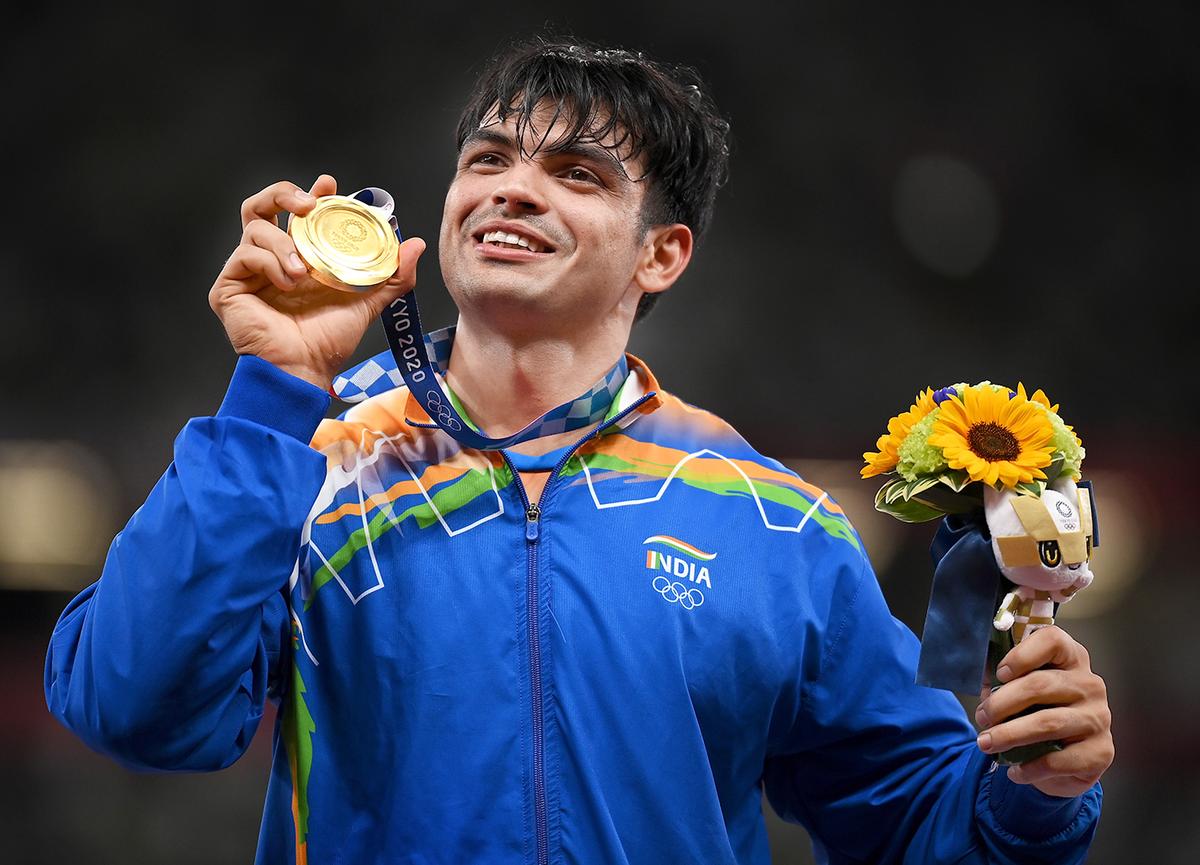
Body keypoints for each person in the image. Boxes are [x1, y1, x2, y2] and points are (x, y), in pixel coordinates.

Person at [44, 36, 1112, 864]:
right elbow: (135, 705)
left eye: (576, 173)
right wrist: (276, 383)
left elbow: (920, 821)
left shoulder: (768, 521)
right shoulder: (307, 459)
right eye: (488, 159)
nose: (512, 187)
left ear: (663, 253)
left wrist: (1034, 789)